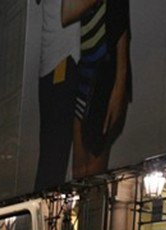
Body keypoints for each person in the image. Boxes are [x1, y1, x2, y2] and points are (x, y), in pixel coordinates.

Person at [63, 0, 132, 179]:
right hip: (85, 74)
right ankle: (82, 205)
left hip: (103, 79)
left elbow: (122, 31)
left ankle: (94, 206)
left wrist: (119, 89)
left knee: (93, 170)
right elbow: (66, 14)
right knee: (80, 171)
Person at [33, 0, 80, 192]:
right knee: (55, 155)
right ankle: (45, 210)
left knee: (51, 155)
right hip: (61, 63)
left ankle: (42, 206)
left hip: (53, 66)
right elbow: (67, 14)